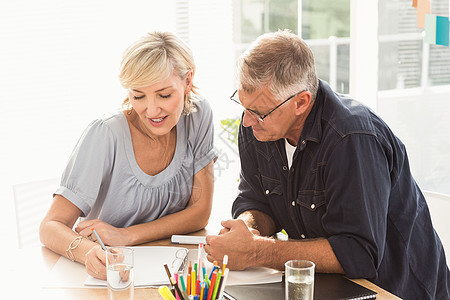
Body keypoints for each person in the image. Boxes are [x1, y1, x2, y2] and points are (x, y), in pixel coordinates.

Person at [204, 29, 449, 299]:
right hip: (327, 286)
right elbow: (257, 201)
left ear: (301, 102)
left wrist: (257, 251)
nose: (248, 121)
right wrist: (245, 229)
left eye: (259, 113)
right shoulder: (259, 126)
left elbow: (359, 253)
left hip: (394, 289)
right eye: (243, 106)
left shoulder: (351, 138)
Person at [40, 31, 217, 280]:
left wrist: (127, 235)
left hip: (174, 270)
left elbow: (200, 211)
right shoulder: (105, 134)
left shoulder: (198, 115)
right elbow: (50, 227)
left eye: (164, 95)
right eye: (138, 96)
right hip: (113, 274)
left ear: (188, 81)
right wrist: (88, 252)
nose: (152, 110)